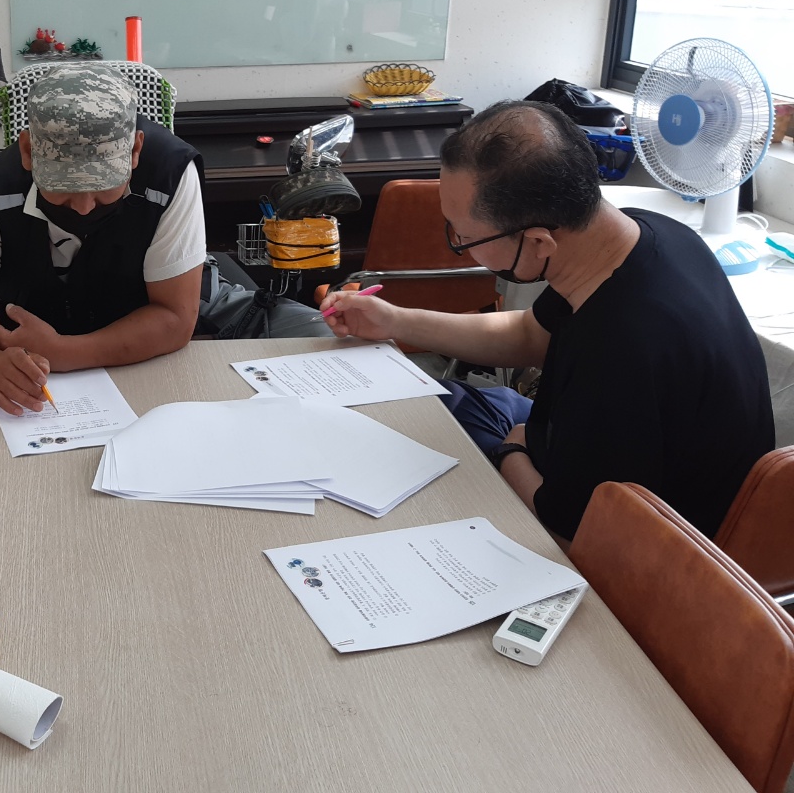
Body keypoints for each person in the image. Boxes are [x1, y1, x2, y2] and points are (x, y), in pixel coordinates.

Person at [321, 100, 773, 546]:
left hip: (655, 550)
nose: (457, 242)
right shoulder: (646, 235)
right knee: (427, 403)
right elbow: (530, 334)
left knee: (424, 461)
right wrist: (394, 321)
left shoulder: (621, 351)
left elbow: (570, 531)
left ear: (539, 242)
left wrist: (513, 449)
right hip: (599, 466)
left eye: (464, 237)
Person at [0, 66, 213, 414]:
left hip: (144, 365)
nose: (83, 208)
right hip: (26, 368)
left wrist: (64, 352)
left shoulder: (170, 175)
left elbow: (175, 318)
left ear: (135, 151)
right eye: (63, 187)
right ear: (27, 151)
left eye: (103, 187)